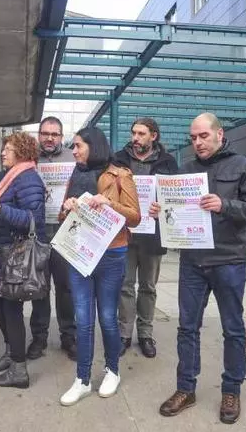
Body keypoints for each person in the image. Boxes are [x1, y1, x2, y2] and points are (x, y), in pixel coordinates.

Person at [154, 113, 246, 425]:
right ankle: (185, 389)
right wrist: (161, 211)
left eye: (203, 136)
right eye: (193, 138)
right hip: (193, 261)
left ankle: (231, 391)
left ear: (219, 134)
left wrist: (224, 205)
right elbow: (175, 213)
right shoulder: (185, 171)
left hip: (229, 260)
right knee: (187, 328)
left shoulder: (244, 166)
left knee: (233, 329)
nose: (198, 142)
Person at [58, 127, 141, 406]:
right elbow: (62, 216)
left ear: (93, 146)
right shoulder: (75, 173)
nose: (74, 151)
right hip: (79, 253)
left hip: (111, 254)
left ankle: (112, 371)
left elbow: (135, 217)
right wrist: (67, 206)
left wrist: (110, 203)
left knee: (107, 316)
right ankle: (82, 379)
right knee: (83, 319)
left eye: (78, 146)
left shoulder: (120, 175)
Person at [0, 132, 46, 388]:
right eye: (3, 148)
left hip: (14, 256)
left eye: (8, 149)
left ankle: (19, 369)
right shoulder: (12, 176)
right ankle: (10, 352)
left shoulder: (28, 179)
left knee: (11, 309)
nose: (3, 152)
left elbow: (34, 219)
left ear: (22, 152)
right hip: (2, 254)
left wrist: (0, 210)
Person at [113, 117, 179, 359]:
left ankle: (145, 334)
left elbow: (174, 196)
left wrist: (163, 206)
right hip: (125, 233)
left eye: (141, 134)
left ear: (154, 136)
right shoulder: (119, 159)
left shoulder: (168, 162)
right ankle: (124, 334)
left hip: (153, 235)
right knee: (125, 285)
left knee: (148, 287)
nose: (135, 138)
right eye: (134, 133)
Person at [30, 116, 78, 360]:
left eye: (54, 134)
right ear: (39, 135)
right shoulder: (29, 157)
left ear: (61, 136)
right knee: (39, 287)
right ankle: (39, 338)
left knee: (66, 288)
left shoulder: (73, 158)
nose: (49, 138)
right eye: (45, 133)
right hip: (36, 232)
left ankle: (68, 336)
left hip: (64, 232)